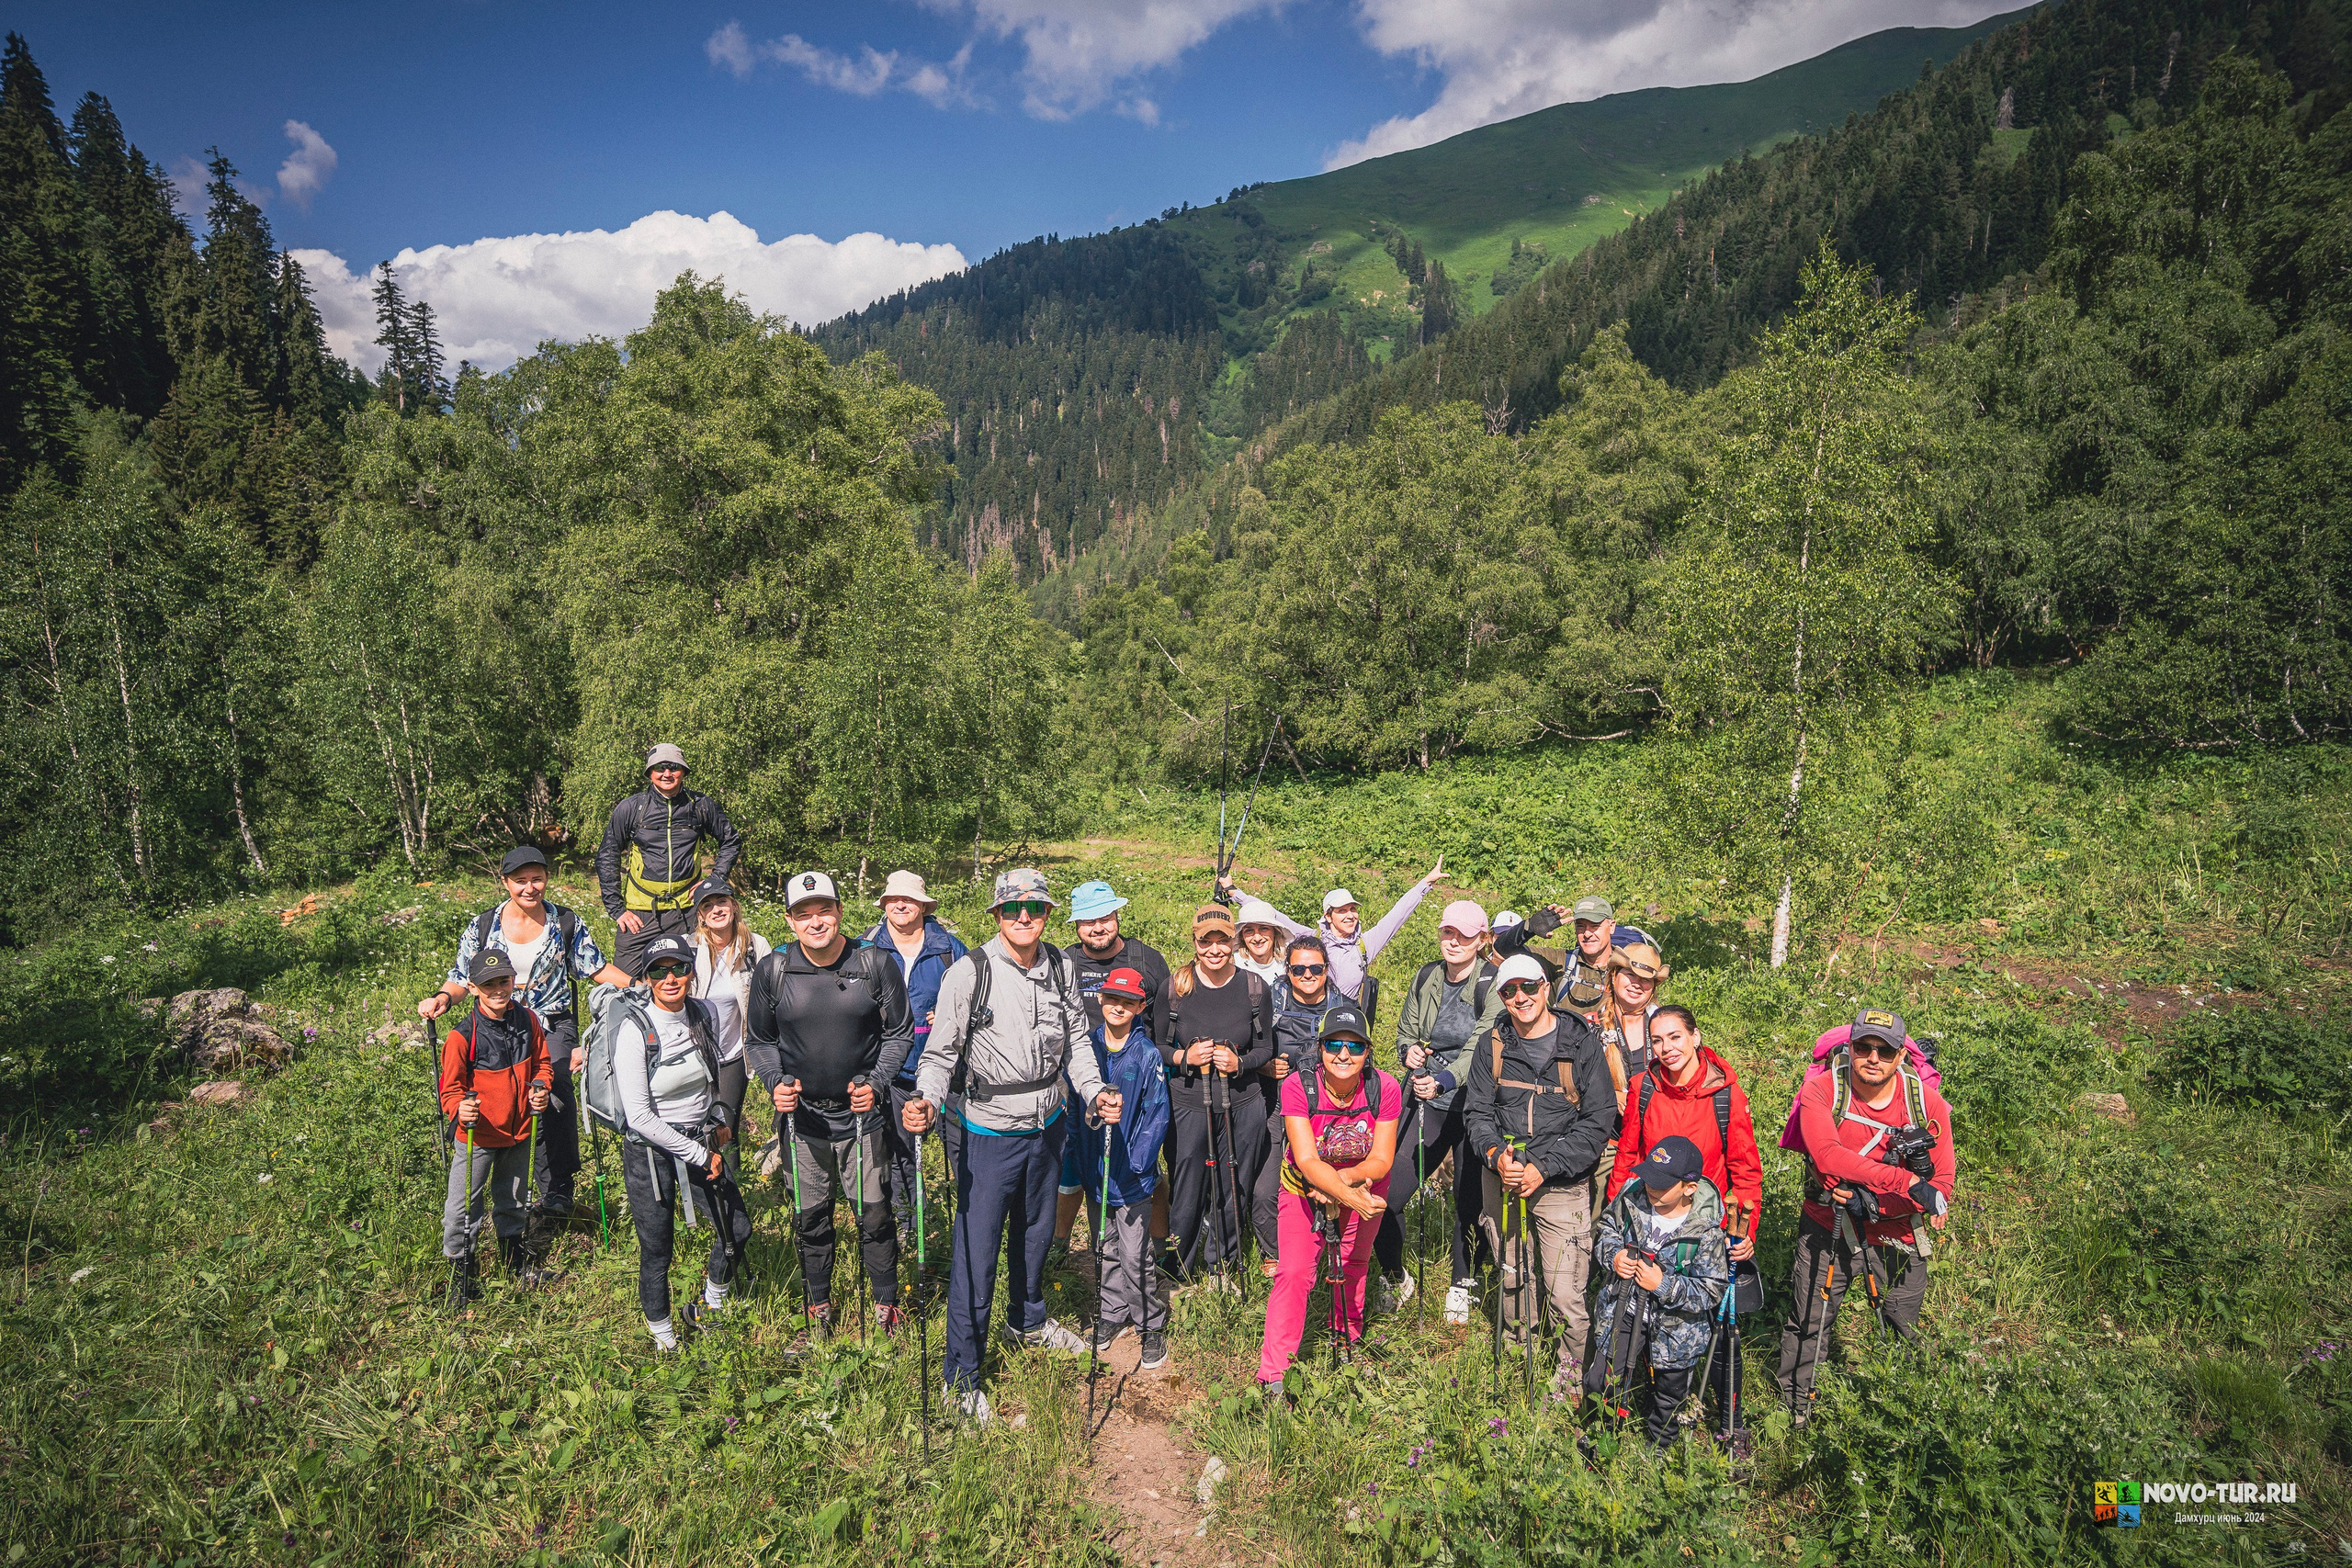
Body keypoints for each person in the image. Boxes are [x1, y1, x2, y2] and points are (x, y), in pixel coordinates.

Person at [905, 869, 1125, 1425]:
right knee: (976, 1254)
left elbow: (1076, 1040)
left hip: (1049, 1124)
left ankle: (1027, 1319)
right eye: (1012, 910)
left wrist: (1095, 1090)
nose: (1024, 918)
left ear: (1048, 914)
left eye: (1035, 908)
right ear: (997, 915)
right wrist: (927, 1101)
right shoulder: (967, 973)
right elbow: (938, 1055)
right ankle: (963, 1374)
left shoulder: (1060, 966)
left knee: (1035, 1232)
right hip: (987, 1132)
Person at [746, 871, 914, 1336]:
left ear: (840, 912)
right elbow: (758, 1040)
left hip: (864, 1118)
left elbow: (900, 1032)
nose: (815, 922)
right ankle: (818, 1304)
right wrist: (773, 1081)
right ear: (790, 920)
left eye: (824, 910)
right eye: (804, 913)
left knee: (876, 1216)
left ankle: (885, 1304)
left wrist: (877, 1082)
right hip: (802, 1122)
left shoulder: (876, 963)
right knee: (810, 1218)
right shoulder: (774, 970)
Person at [422, 845, 628, 1216]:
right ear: (505, 882)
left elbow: (595, 968)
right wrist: (442, 998)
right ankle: (506, 1185)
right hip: (499, 1022)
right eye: (520, 881)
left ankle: (557, 1191)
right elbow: (460, 977)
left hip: (551, 1021)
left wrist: (641, 986)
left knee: (555, 1090)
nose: (530, 888)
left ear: (547, 879)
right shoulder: (483, 925)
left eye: (537, 879)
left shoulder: (565, 921)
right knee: (501, 1093)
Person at [1776, 1007, 1955, 1426]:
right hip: (1828, 1222)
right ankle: (1796, 1413)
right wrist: (1903, 1181)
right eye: (1863, 1047)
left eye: (1885, 1050)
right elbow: (1826, 1154)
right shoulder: (1822, 1091)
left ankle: (1900, 1409)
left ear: (1901, 1057)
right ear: (1850, 1048)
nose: (1873, 1058)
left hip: (1899, 1231)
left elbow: (1940, 1189)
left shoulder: (1927, 1104)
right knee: (1809, 1321)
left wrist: (1875, 1204)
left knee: (1901, 1320)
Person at [1461, 953, 1618, 1394]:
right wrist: (1494, 1154)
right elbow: (1477, 1112)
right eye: (1509, 990)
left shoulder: (1580, 1043)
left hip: (1562, 1184)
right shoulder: (1493, 1044)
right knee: (1512, 1274)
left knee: (1565, 1292)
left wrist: (1544, 1167)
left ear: (1546, 988)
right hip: (1504, 1178)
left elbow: (1598, 1120)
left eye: (1529, 987)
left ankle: (1569, 1384)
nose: (1520, 997)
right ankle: (1517, 1359)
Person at [612, 934, 752, 1350]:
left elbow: (720, 1069)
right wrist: (699, 1153)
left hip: (700, 1139)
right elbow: (638, 1115)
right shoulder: (635, 1031)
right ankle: (664, 1340)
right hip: (650, 1153)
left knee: (737, 1228)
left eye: (679, 968)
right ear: (646, 977)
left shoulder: (704, 1013)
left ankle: (710, 1307)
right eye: (658, 970)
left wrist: (722, 1116)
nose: (670, 978)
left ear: (692, 971)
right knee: (658, 1250)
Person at [1255, 1004, 1399, 1393]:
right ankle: (1274, 1373)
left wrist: (1344, 1185)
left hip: (1364, 1184)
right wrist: (1336, 1189)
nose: (1343, 1055)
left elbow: (1382, 1158)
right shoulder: (1298, 1086)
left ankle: (1345, 1337)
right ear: (1319, 1048)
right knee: (1294, 1273)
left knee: (1353, 1263)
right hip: (1302, 1187)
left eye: (1355, 1047)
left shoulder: (1384, 1088)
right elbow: (1305, 1157)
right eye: (1334, 1044)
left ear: (1368, 1052)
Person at [1384, 900, 1504, 1324]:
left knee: (1467, 1199)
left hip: (1473, 1105)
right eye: (1448, 933)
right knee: (1388, 1195)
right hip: (1426, 1099)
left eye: (1465, 935)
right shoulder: (1426, 976)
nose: (1454, 942)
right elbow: (1406, 1030)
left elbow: (1481, 1046)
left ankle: (1462, 1283)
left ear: (1483, 939)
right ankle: (1395, 1276)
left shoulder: (1492, 985)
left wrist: (1446, 1079)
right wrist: (1408, 1051)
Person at [1588, 1135, 1731, 1444]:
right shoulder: (1632, 1197)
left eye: (1662, 1184)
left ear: (1689, 1188)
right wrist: (1614, 1256)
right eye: (1650, 1177)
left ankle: (1659, 1450)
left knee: (1669, 1396)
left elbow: (1712, 1290)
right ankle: (1602, 1437)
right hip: (1624, 1309)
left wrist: (1662, 1284)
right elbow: (1607, 1229)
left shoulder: (1706, 1231)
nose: (1651, 1187)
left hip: (1677, 1329)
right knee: (1603, 1379)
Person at [1057, 879, 1171, 1258]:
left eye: (1104, 918)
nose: (1098, 927)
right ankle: (1065, 1248)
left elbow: (1165, 1023)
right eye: (1088, 921)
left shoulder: (1147, 960)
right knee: (1073, 1170)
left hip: (1137, 1083)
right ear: (1076, 925)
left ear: (1117, 915)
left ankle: (1156, 1248)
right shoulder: (1063, 963)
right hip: (1078, 1083)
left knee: (1145, 1168)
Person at [1160, 904, 1275, 1280]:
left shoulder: (1255, 987)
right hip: (1189, 1102)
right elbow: (1154, 1045)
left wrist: (1239, 1064)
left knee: (1234, 1183)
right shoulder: (1176, 987)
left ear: (1234, 941)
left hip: (1242, 1101)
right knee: (1187, 1184)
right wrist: (1184, 1056)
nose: (1214, 949)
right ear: (1194, 942)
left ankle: (1222, 1263)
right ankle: (1179, 1264)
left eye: (1222, 940)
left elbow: (1265, 1049)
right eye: (1205, 941)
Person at [437, 949, 553, 1307]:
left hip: (519, 1131)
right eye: (488, 984)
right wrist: (461, 1108)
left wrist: (541, 1089)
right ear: (472, 988)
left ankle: (515, 1264)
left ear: (513, 981)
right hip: (478, 1136)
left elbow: (543, 1065)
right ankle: (462, 1275)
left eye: (504, 981)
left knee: (514, 1200)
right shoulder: (462, 1037)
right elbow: (449, 1090)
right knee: (461, 1208)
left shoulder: (529, 1020)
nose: (498, 990)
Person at [1073, 966, 1173, 1369]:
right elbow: (1075, 1109)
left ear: (1139, 1007)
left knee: (1135, 1254)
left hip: (1131, 1176)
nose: (1118, 1007)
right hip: (1095, 1170)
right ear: (1100, 999)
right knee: (1104, 1245)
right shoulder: (1086, 1049)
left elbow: (1157, 1115)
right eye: (1112, 998)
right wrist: (1083, 1155)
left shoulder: (1146, 1055)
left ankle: (1150, 1322)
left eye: (1128, 1002)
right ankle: (1113, 1311)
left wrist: (1138, 1165)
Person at [866, 871, 967, 1235]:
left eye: (908, 899)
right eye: (893, 899)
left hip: (946, 1070)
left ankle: (969, 1227)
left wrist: (951, 1013)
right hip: (890, 1071)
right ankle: (910, 1225)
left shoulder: (950, 949)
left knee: (961, 1153)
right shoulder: (867, 948)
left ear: (924, 905)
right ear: (885, 905)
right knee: (899, 1155)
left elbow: (976, 1001)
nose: (901, 904)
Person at [1216, 858, 1446, 1010]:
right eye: (1342, 911)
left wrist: (1424, 884)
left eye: (1353, 909)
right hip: (1310, 1015)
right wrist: (1234, 892)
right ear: (1328, 916)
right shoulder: (1311, 940)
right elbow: (1273, 915)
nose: (1350, 915)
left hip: (1347, 1017)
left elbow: (1397, 916)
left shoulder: (1365, 945)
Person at [596, 743, 745, 976]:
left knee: (692, 982)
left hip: (687, 911)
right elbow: (607, 854)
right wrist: (616, 909)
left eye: (673, 767)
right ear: (650, 773)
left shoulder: (700, 806)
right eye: (659, 768)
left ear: (683, 771)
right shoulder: (631, 808)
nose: (667, 774)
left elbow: (731, 840)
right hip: (639, 913)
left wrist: (714, 880)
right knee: (625, 986)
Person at [1251, 931, 1334, 1269]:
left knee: (1322, 1188)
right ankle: (1279, 1257)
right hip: (1278, 1105)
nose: (1308, 977)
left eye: (1315, 969)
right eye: (1299, 971)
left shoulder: (1343, 1009)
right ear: (1287, 970)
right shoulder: (1269, 1002)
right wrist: (1265, 1066)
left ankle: (1319, 1253)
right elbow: (1250, 1049)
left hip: (1326, 1112)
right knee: (1263, 1193)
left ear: (1327, 969)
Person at [689, 876, 771, 1182]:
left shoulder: (755, 946)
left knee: (726, 1125)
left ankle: (729, 1190)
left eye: (722, 902)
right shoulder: (690, 948)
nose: (716, 909)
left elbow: (771, 994)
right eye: (707, 905)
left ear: (734, 906)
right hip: (695, 1053)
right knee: (695, 1121)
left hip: (734, 1055)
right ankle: (698, 1186)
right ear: (700, 915)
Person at [1493, 894, 1615, 1021]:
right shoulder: (1560, 962)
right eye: (1580, 926)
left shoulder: (1626, 967)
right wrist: (1529, 928)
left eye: (1595, 926)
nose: (1587, 934)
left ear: (1611, 926)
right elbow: (1503, 950)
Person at [1598, 942, 1670, 1109]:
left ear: (1653, 989)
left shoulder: (1667, 1028)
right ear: (1614, 976)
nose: (1636, 984)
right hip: (1607, 1128)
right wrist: (1611, 1096)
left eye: (1645, 979)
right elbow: (1577, 1083)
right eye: (1630, 975)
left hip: (1657, 1119)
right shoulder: (1592, 1026)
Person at [1234, 898, 1289, 987]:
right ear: (1242, 936)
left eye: (1264, 929)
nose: (1257, 938)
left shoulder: (1290, 964)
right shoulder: (1233, 967)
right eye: (1249, 931)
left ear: (1275, 932)